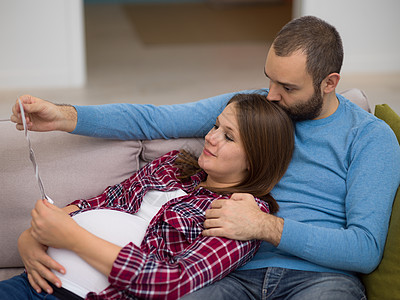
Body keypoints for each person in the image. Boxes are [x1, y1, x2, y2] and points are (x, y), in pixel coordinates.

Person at [9, 15, 400, 299]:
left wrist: (267, 228)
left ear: (330, 83)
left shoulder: (369, 138)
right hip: (230, 272)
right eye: (268, 79)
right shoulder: (254, 109)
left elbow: (364, 249)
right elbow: (155, 119)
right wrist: (65, 115)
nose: (271, 96)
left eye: (287, 87)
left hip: (321, 280)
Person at [1, 94, 294, 299]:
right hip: (34, 283)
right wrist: (30, 238)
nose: (210, 137)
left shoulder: (242, 215)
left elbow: (171, 282)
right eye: (216, 125)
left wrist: (71, 238)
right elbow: (101, 202)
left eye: (229, 137)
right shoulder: (172, 166)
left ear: (255, 160)